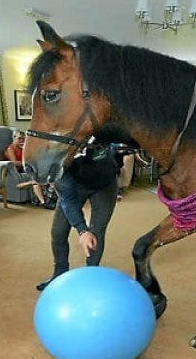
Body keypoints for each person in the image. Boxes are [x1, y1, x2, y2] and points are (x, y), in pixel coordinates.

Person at [36, 125, 139, 291]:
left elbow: (127, 134)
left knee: (97, 231)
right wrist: (82, 230)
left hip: (105, 185)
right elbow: (68, 201)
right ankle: (59, 273)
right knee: (58, 232)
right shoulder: (57, 163)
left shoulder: (98, 129)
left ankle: (91, 274)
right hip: (75, 187)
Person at [2, 130, 54, 208]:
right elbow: (14, 163)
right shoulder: (10, 149)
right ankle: (44, 201)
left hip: (25, 168)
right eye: (19, 139)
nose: (21, 141)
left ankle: (46, 197)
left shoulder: (22, 148)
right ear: (13, 138)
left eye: (23, 139)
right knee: (38, 177)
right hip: (17, 170)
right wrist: (27, 162)